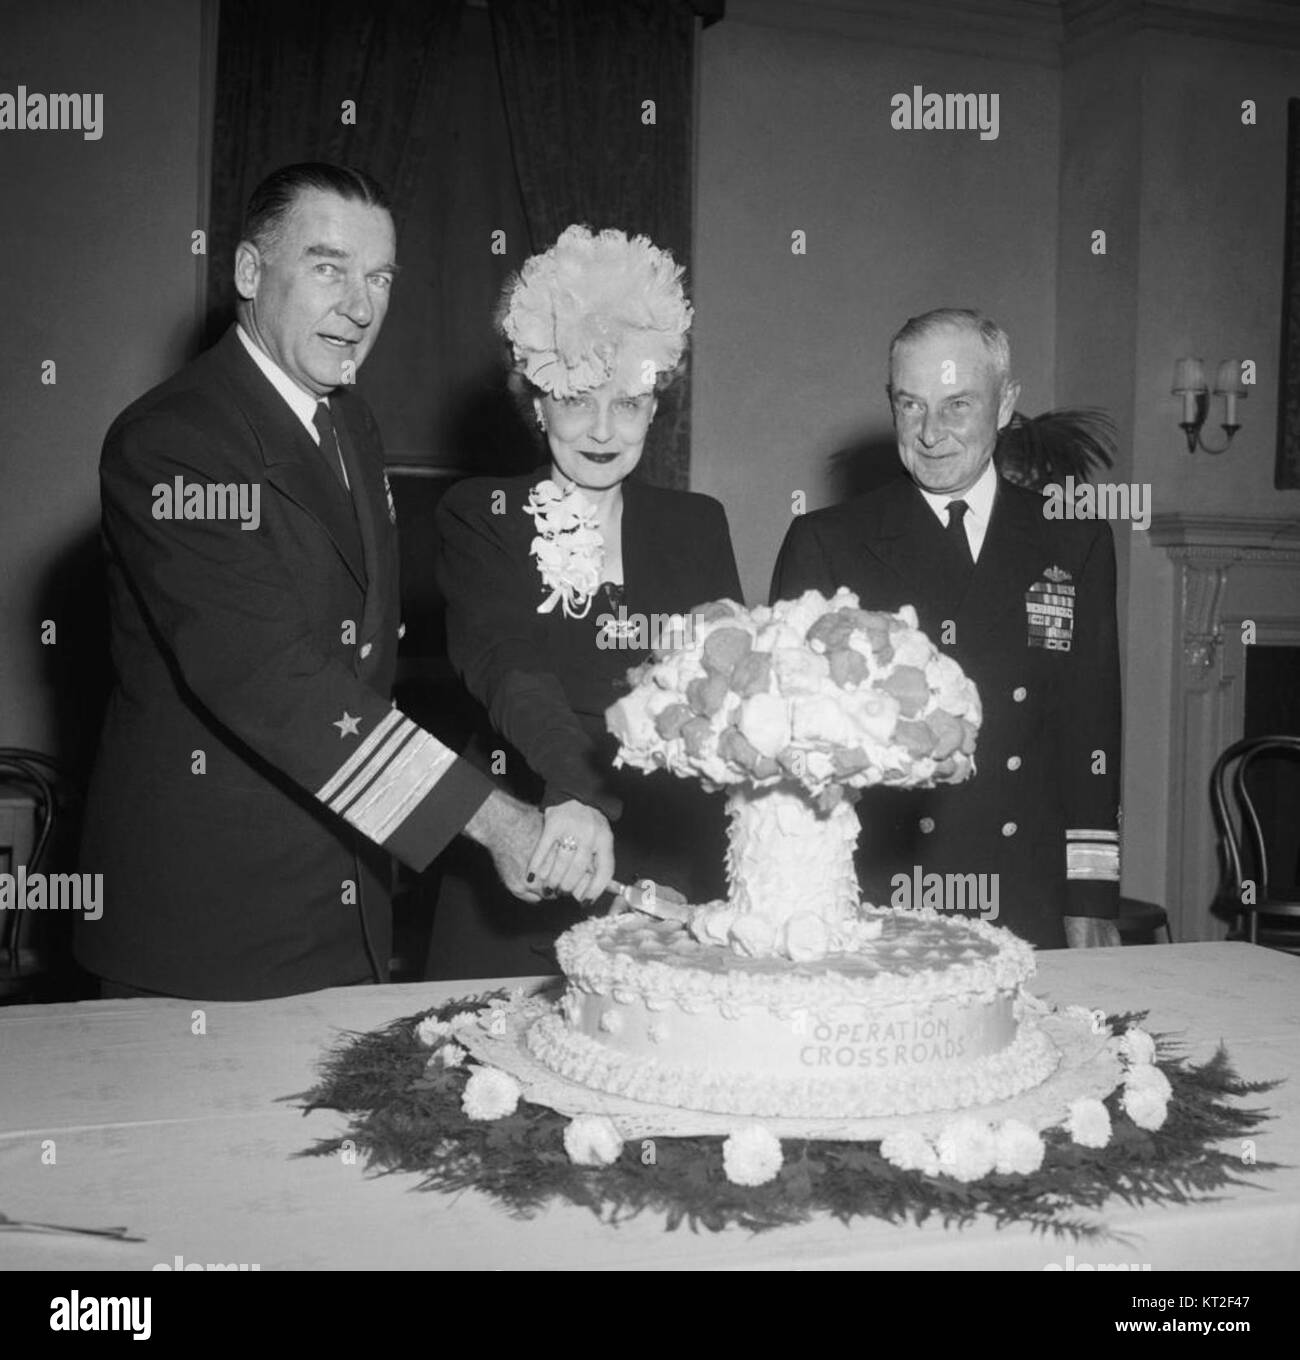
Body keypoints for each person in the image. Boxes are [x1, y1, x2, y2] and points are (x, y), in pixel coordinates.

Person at [77, 163, 543, 1002]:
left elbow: (359, 652)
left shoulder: (347, 417)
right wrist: (493, 818)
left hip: (345, 895)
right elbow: (275, 680)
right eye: (329, 267)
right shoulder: (173, 444)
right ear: (250, 274)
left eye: (380, 277)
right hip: (210, 923)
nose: (361, 308)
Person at [431, 225, 743, 976]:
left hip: (664, 870)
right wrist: (575, 792)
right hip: (529, 855)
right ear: (536, 401)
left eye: (628, 403)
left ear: (655, 405)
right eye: (576, 400)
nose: (603, 431)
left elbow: (720, 698)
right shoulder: (481, 513)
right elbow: (507, 664)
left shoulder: (699, 525)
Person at [771, 308, 1121, 949]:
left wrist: (1091, 899)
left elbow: (1090, 734)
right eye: (911, 405)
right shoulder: (827, 542)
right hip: (876, 893)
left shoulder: (1074, 540)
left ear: (1006, 403)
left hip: (1026, 893)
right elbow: (793, 749)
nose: (930, 433)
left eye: (957, 405)